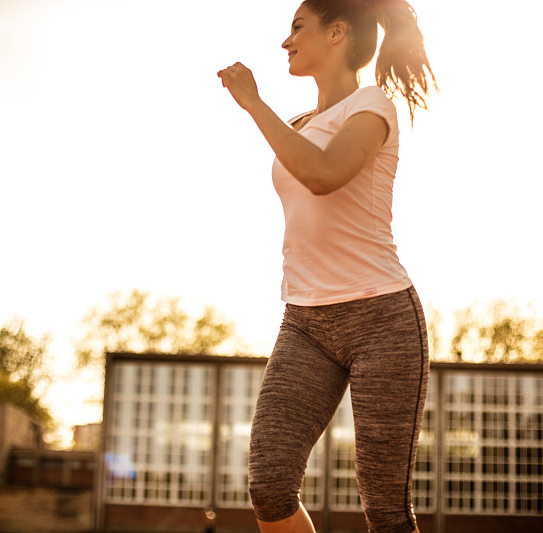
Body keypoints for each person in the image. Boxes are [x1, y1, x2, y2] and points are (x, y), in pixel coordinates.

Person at [218, 1, 435, 532]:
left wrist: (253, 103)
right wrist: (268, 113)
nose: (285, 42)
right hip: (305, 322)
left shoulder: (372, 108)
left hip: (381, 320)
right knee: (269, 483)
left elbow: (322, 174)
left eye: (297, 28)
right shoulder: (300, 123)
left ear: (337, 32)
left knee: (384, 509)